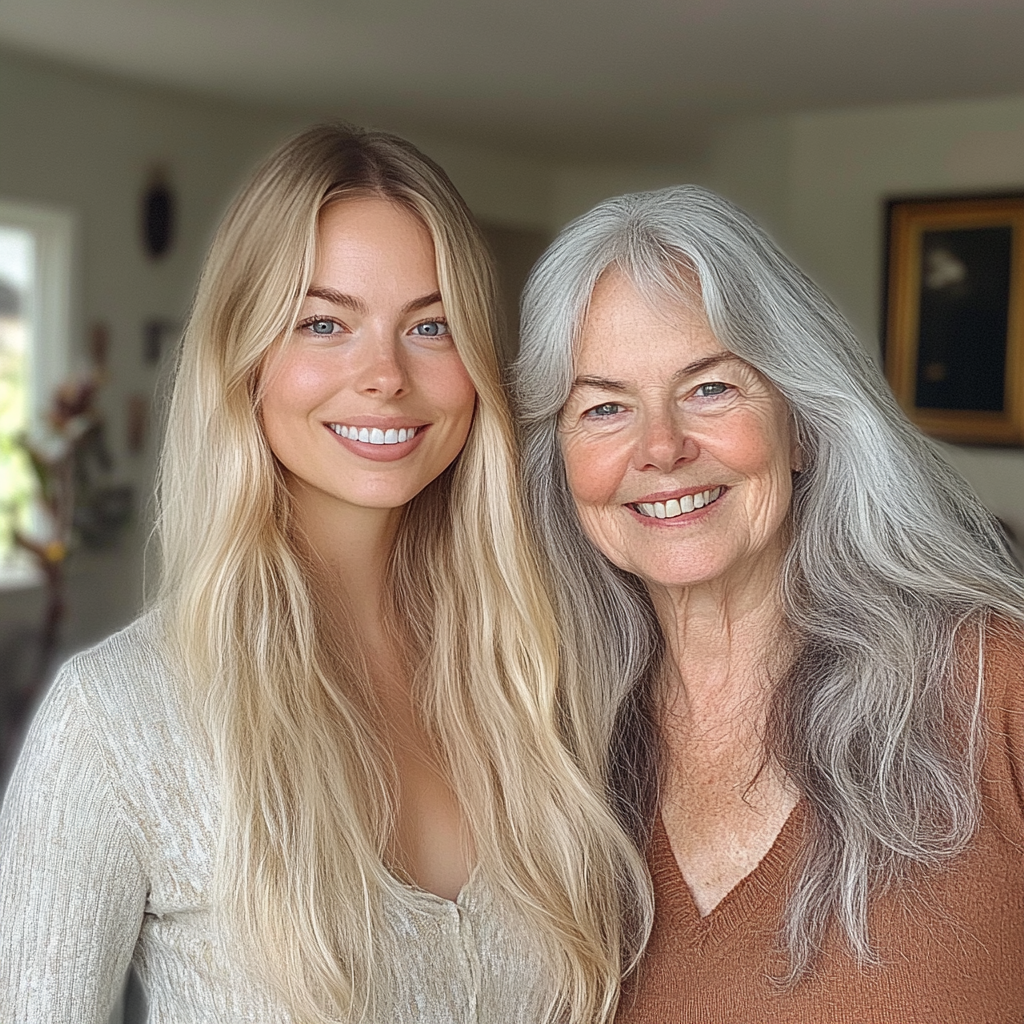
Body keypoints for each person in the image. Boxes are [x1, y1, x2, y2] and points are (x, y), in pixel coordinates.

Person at [0, 124, 651, 1024]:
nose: (383, 375)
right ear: (245, 357)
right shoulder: (117, 722)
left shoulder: (546, 673)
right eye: (323, 323)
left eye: (430, 326)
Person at [513, 185, 1024, 1023]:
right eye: (605, 407)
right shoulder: (544, 745)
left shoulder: (991, 686)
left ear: (802, 424)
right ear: (561, 469)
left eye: (710, 389)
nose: (662, 448)